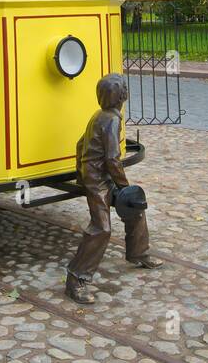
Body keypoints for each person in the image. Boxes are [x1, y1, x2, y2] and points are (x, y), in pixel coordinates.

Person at [66, 73, 162, 304]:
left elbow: (80, 144)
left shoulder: (100, 115)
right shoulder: (110, 120)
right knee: (102, 228)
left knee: (135, 206)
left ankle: (138, 253)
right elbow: (112, 159)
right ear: (121, 96)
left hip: (98, 175)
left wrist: (81, 173)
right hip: (98, 179)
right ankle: (75, 278)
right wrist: (124, 187)